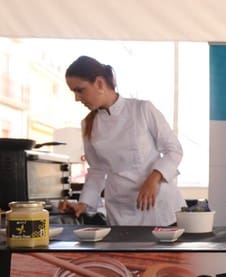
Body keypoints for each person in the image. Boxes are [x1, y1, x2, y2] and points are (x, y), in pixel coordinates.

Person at [59, 56, 185, 226]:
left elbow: (174, 150)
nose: (77, 98)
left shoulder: (142, 110)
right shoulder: (88, 124)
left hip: (158, 207)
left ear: (99, 83)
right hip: (120, 212)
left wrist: (153, 179)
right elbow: (97, 170)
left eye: (80, 90)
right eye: (74, 92)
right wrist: (82, 204)